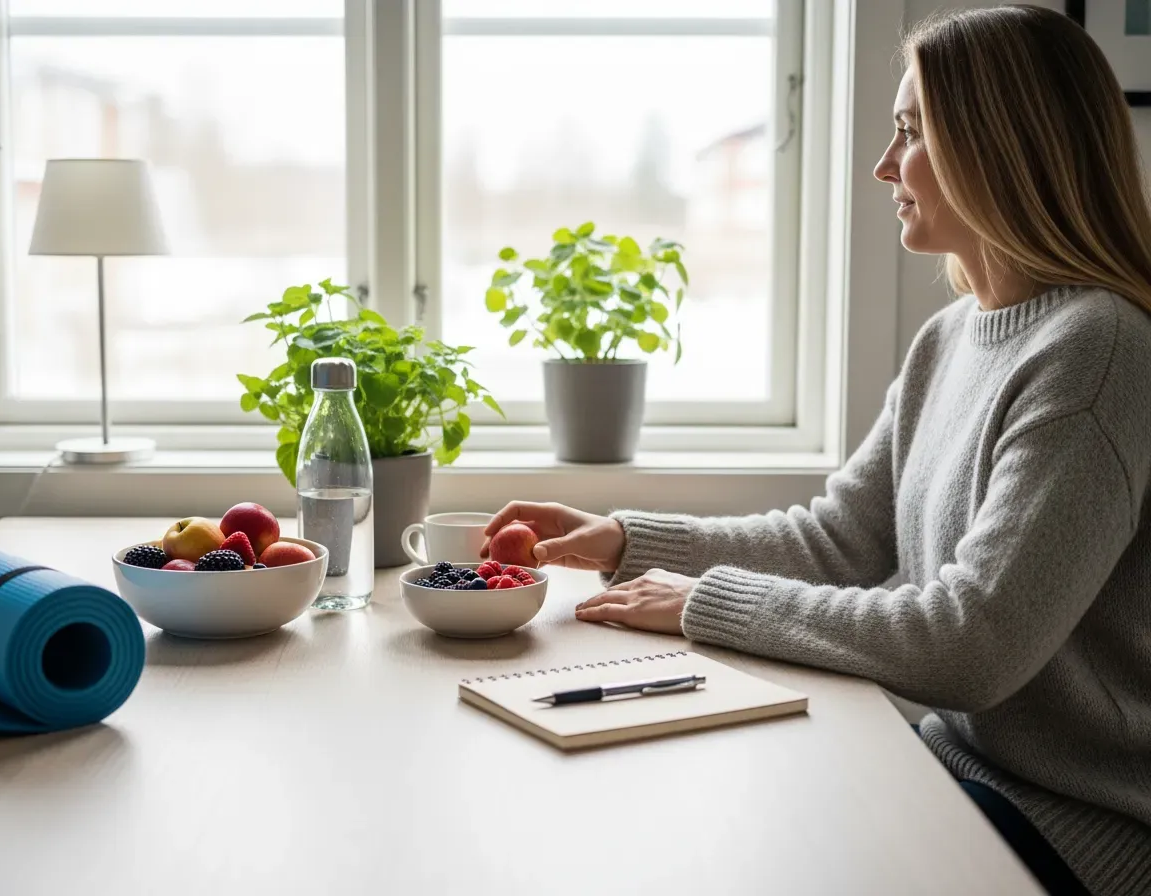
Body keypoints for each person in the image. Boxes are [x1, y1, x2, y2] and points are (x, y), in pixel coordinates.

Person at [481, 7, 1151, 895]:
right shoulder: (951, 338)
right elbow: (840, 538)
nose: (883, 164)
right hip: (949, 769)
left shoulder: (1098, 350)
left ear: (1000, 145)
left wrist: (701, 601)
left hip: (1074, 827)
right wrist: (626, 539)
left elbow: (970, 645)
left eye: (911, 131)